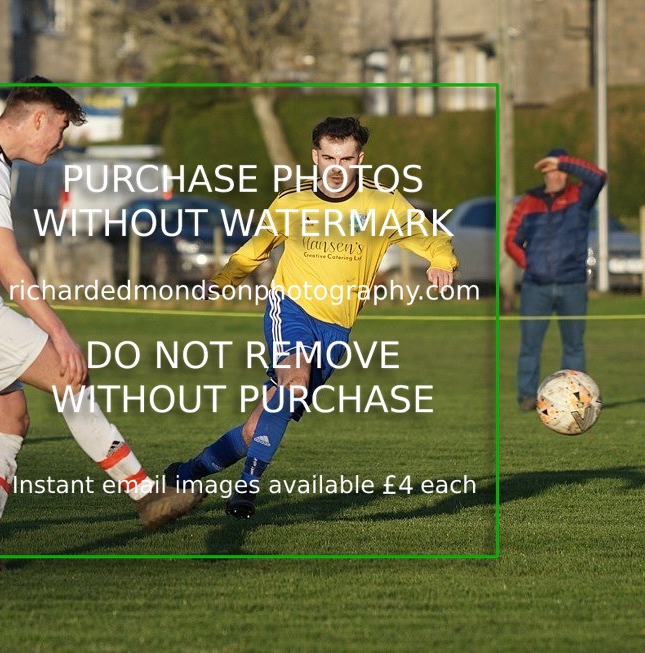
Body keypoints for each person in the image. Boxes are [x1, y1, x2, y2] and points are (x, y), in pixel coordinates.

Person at [0, 76, 203, 572]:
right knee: (69, 373)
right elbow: (10, 264)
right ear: (37, 119)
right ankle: (146, 495)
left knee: (10, 419)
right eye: (58, 129)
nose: (59, 143)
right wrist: (60, 333)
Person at [164, 116, 457, 519]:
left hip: (337, 328)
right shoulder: (291, 203)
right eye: (329, 157)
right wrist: (222, 281)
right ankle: (246, 489)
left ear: (360, 159)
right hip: (291, 308)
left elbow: (432, 235)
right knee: (296, 381)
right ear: (316, 157)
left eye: (347, 159)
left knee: (256, 429)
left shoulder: (383, 205)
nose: (337, 168)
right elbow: (255, 249)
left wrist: (441, 261)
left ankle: (185, 474)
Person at [504, 148, 607, 411]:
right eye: (552, 169)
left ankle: (576, 400)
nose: (558, 174)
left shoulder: (579, 197)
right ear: (544, 173)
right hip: (535, 287)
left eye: (562, 170)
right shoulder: (529, 201)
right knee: (529, 346)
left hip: (572, 284)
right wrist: (531, 264)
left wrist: (565, 161)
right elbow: (511, 241)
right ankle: (527, 397)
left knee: (573, 346)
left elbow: (598, 177)